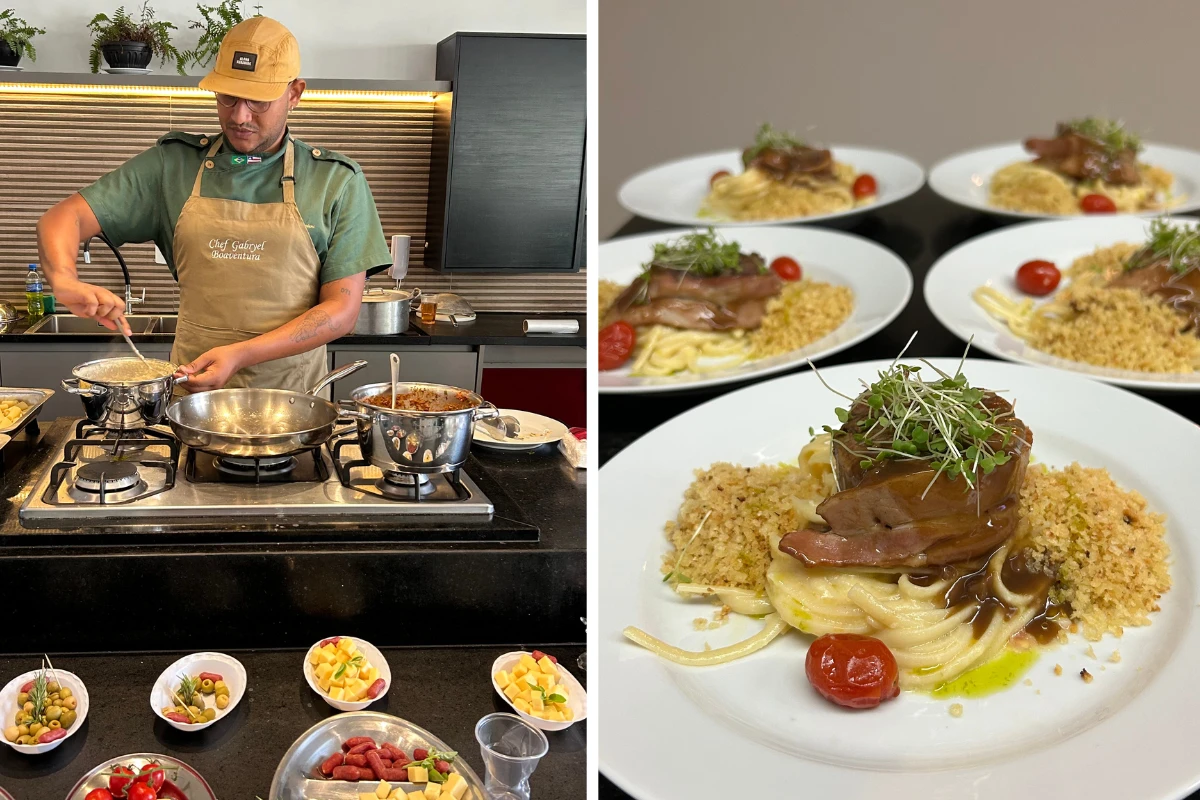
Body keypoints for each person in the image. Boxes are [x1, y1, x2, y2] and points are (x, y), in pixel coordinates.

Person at [35, 16, 390, 393]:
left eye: (258, 101)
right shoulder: (172, 166)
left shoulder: (336, 181)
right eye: (227, 97)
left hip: (292, 405)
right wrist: (64, 280)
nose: (239, 116)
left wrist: (241, 354)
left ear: (294, 93)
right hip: (191, 400)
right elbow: (62, 218)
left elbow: (341, 312)